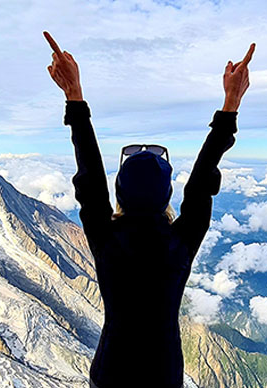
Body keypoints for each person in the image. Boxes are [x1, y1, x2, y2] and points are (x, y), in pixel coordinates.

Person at [43, 30, 255, 388]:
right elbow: (202, 182)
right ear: (166, 194)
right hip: (164, 375)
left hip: (111, 373)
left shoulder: (107, 238)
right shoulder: (179, 243)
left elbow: (90, 180)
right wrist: (230, 103)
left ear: (120, 194)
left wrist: (74, 96)